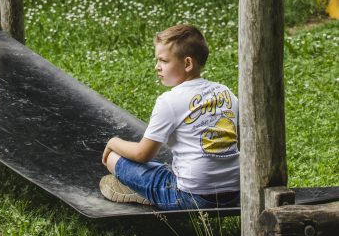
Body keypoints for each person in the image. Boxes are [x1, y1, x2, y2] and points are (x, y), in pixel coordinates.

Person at [100, 23, 240, 210]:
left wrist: (113, 142)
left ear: (187, 64)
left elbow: (143, 154)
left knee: (115, 160)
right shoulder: (226, 93)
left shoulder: (170, 100)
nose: (157, 67)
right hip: (235, 193)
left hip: (191, 198)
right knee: (165, 165)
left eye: (164, 61)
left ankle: (141, 191)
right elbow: (239, 143)